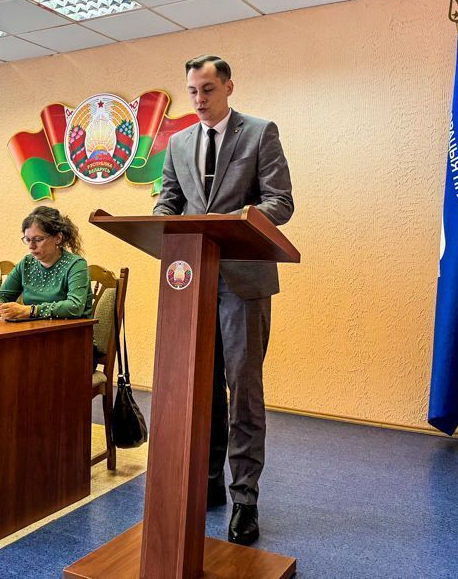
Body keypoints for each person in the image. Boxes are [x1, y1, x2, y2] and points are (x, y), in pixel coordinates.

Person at [153, 55, 294, 547]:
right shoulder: (178, 143)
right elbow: (169, 200)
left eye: (208, 89)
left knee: (243, 393)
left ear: (229, 87)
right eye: (192, 90)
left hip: (244, 281)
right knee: (203, 390)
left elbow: (281, 201)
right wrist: (159, 219)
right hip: (192, 281)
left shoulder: (259, 132)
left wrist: (239, 220)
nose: (199, 99)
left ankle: (245, 499)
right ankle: (210, 480)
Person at [0, 206, 92, 321]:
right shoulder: (26, 263)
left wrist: (30, 311)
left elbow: (75, 307)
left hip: (71, 330)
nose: (31, 246)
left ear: (58, 238)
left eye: (38, 239)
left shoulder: (76, 265)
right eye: (28, 240)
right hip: (33, 329)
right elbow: (2, 296)